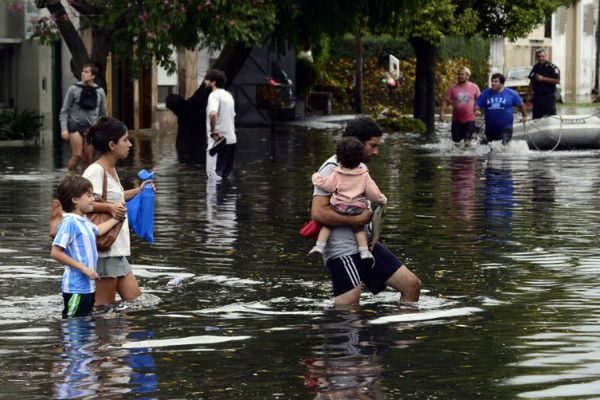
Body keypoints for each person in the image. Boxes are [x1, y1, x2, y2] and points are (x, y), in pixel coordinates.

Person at [310, 117, 421, 305]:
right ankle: (347, 332)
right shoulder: (332, 167)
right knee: (349, 311)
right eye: (373, 145)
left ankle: (393, 334)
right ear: (357, 143)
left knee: (412, 286)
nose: (376, 152)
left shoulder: (360, 167)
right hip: (343, 250)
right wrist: (356, 220)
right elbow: (318, 213)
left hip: (365, 246)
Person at [82, 117, 152, 306]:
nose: (130, 144)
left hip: (116, 248)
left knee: (136, 301)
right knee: (103, 307)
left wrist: (139, 191)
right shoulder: (95, 171)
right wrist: (110, 208)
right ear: (112, 144)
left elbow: (116, 197)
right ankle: (99, 335)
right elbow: (82, 205)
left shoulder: (110, 170)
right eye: (125, 140)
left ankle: (118, 335)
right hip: (105, 251)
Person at [51, 175, 123, 318]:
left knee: (84, 324)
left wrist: (117, 218)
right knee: (73, 324)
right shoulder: (69, 222)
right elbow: (55, 252)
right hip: (75, 288)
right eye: (89, 195)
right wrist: (83, 268)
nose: (93, 199)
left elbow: (98, 230)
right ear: (75, 199)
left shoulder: (83, 220)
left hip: (87, 287)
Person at [310, 136, 387, 260]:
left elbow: (327, 185)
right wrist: (382, 199)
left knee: (327, 226)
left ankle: (319, 246)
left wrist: (316, 177)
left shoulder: (336, 172)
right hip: (358, 208)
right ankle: (364, 251)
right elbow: (373, 193)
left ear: (339, 157)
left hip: (339, 207)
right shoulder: (363, 174)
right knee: (359, 229)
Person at [59, 63, 107, 172]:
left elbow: (103, 114)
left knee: (88, 159)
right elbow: (64, 111)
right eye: (82, 71)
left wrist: (103, 131)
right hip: (75, 126)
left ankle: (84, 183)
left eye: (86, 72)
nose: (83, 74)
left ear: (93, 76)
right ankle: (70, 178)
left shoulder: (100, 91)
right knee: (77, 155)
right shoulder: (73, 89)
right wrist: (64, 129)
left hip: (91, 128)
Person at [475, 73, 527, 145]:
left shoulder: (511, 93)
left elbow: (521, 105)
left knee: (503, 147)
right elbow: (478, 104)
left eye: (496, 81)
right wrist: (477, 110)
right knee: (493, 149)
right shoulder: (486, 93)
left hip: (506, 127)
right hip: (490, 128)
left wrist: (524, 116)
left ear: (502, 84)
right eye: (492, 81)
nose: (493, 83)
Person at [204, 69, 236, 181]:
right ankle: (228, 198)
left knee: (213, 176)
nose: (205, 82)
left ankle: (214, 199)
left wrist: (213, 132)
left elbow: (213, 114)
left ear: (213, 82)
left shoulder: (214, 95)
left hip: (218, 141)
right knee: (226, 177)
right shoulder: (229, 96)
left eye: (207, 80)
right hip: (231, 140)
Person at [439, 67, 481, 146]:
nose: (460, 76)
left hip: (470, 120)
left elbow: (480, 100)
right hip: (456, 120)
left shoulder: (474, 87)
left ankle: (467, 157)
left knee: (467, 141)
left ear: (468, 76)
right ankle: (459, 157)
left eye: (462, 74)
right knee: (456, 143)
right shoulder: (452, 88)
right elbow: (445, 101)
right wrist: (442, 113)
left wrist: (477, 109)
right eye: (459, 74)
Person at [527, 48, 561, 119]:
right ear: (536, 58)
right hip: (537, 97)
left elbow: (557, 81)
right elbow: (531, 82)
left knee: (549, 118)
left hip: (548, 97)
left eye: (542, 56)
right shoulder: (535, 67)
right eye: (539, 57)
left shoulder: (552, 67)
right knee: (536, 118)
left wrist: (543, 79)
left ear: (546, 56)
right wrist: (529, 95)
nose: (541, 58)